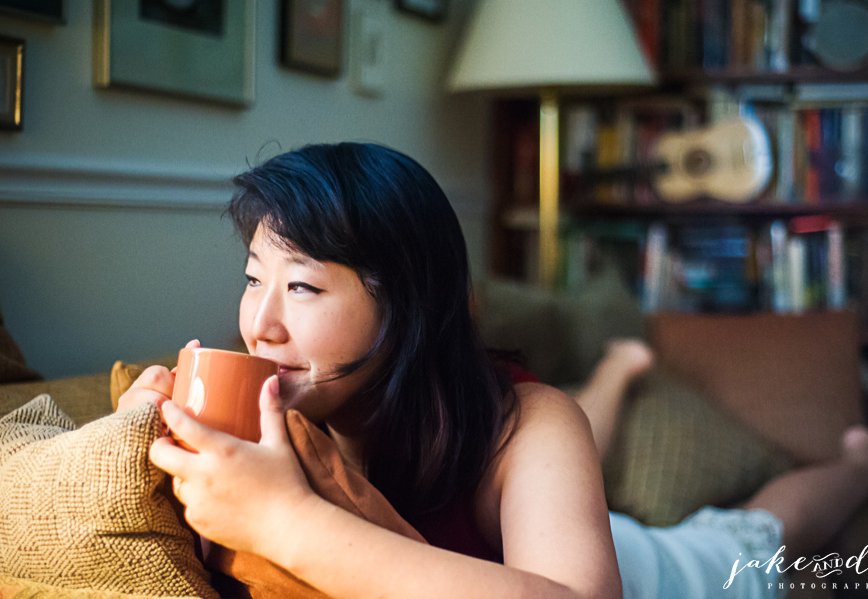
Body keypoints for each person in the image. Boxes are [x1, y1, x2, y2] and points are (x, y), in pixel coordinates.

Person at [116, 142, 622, 599]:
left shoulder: (528, 424)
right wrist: (133, 456)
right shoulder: (260, 414)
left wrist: (283, 520)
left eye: (301, 287)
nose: (259, 327)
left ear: (406, 306)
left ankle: (622, 367)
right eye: (253, 279)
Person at [574, 339, 868, 599]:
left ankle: (861, 469)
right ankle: (861, 468)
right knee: (749, 542)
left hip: (620, 548)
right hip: (630, 562)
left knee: (751, 539)